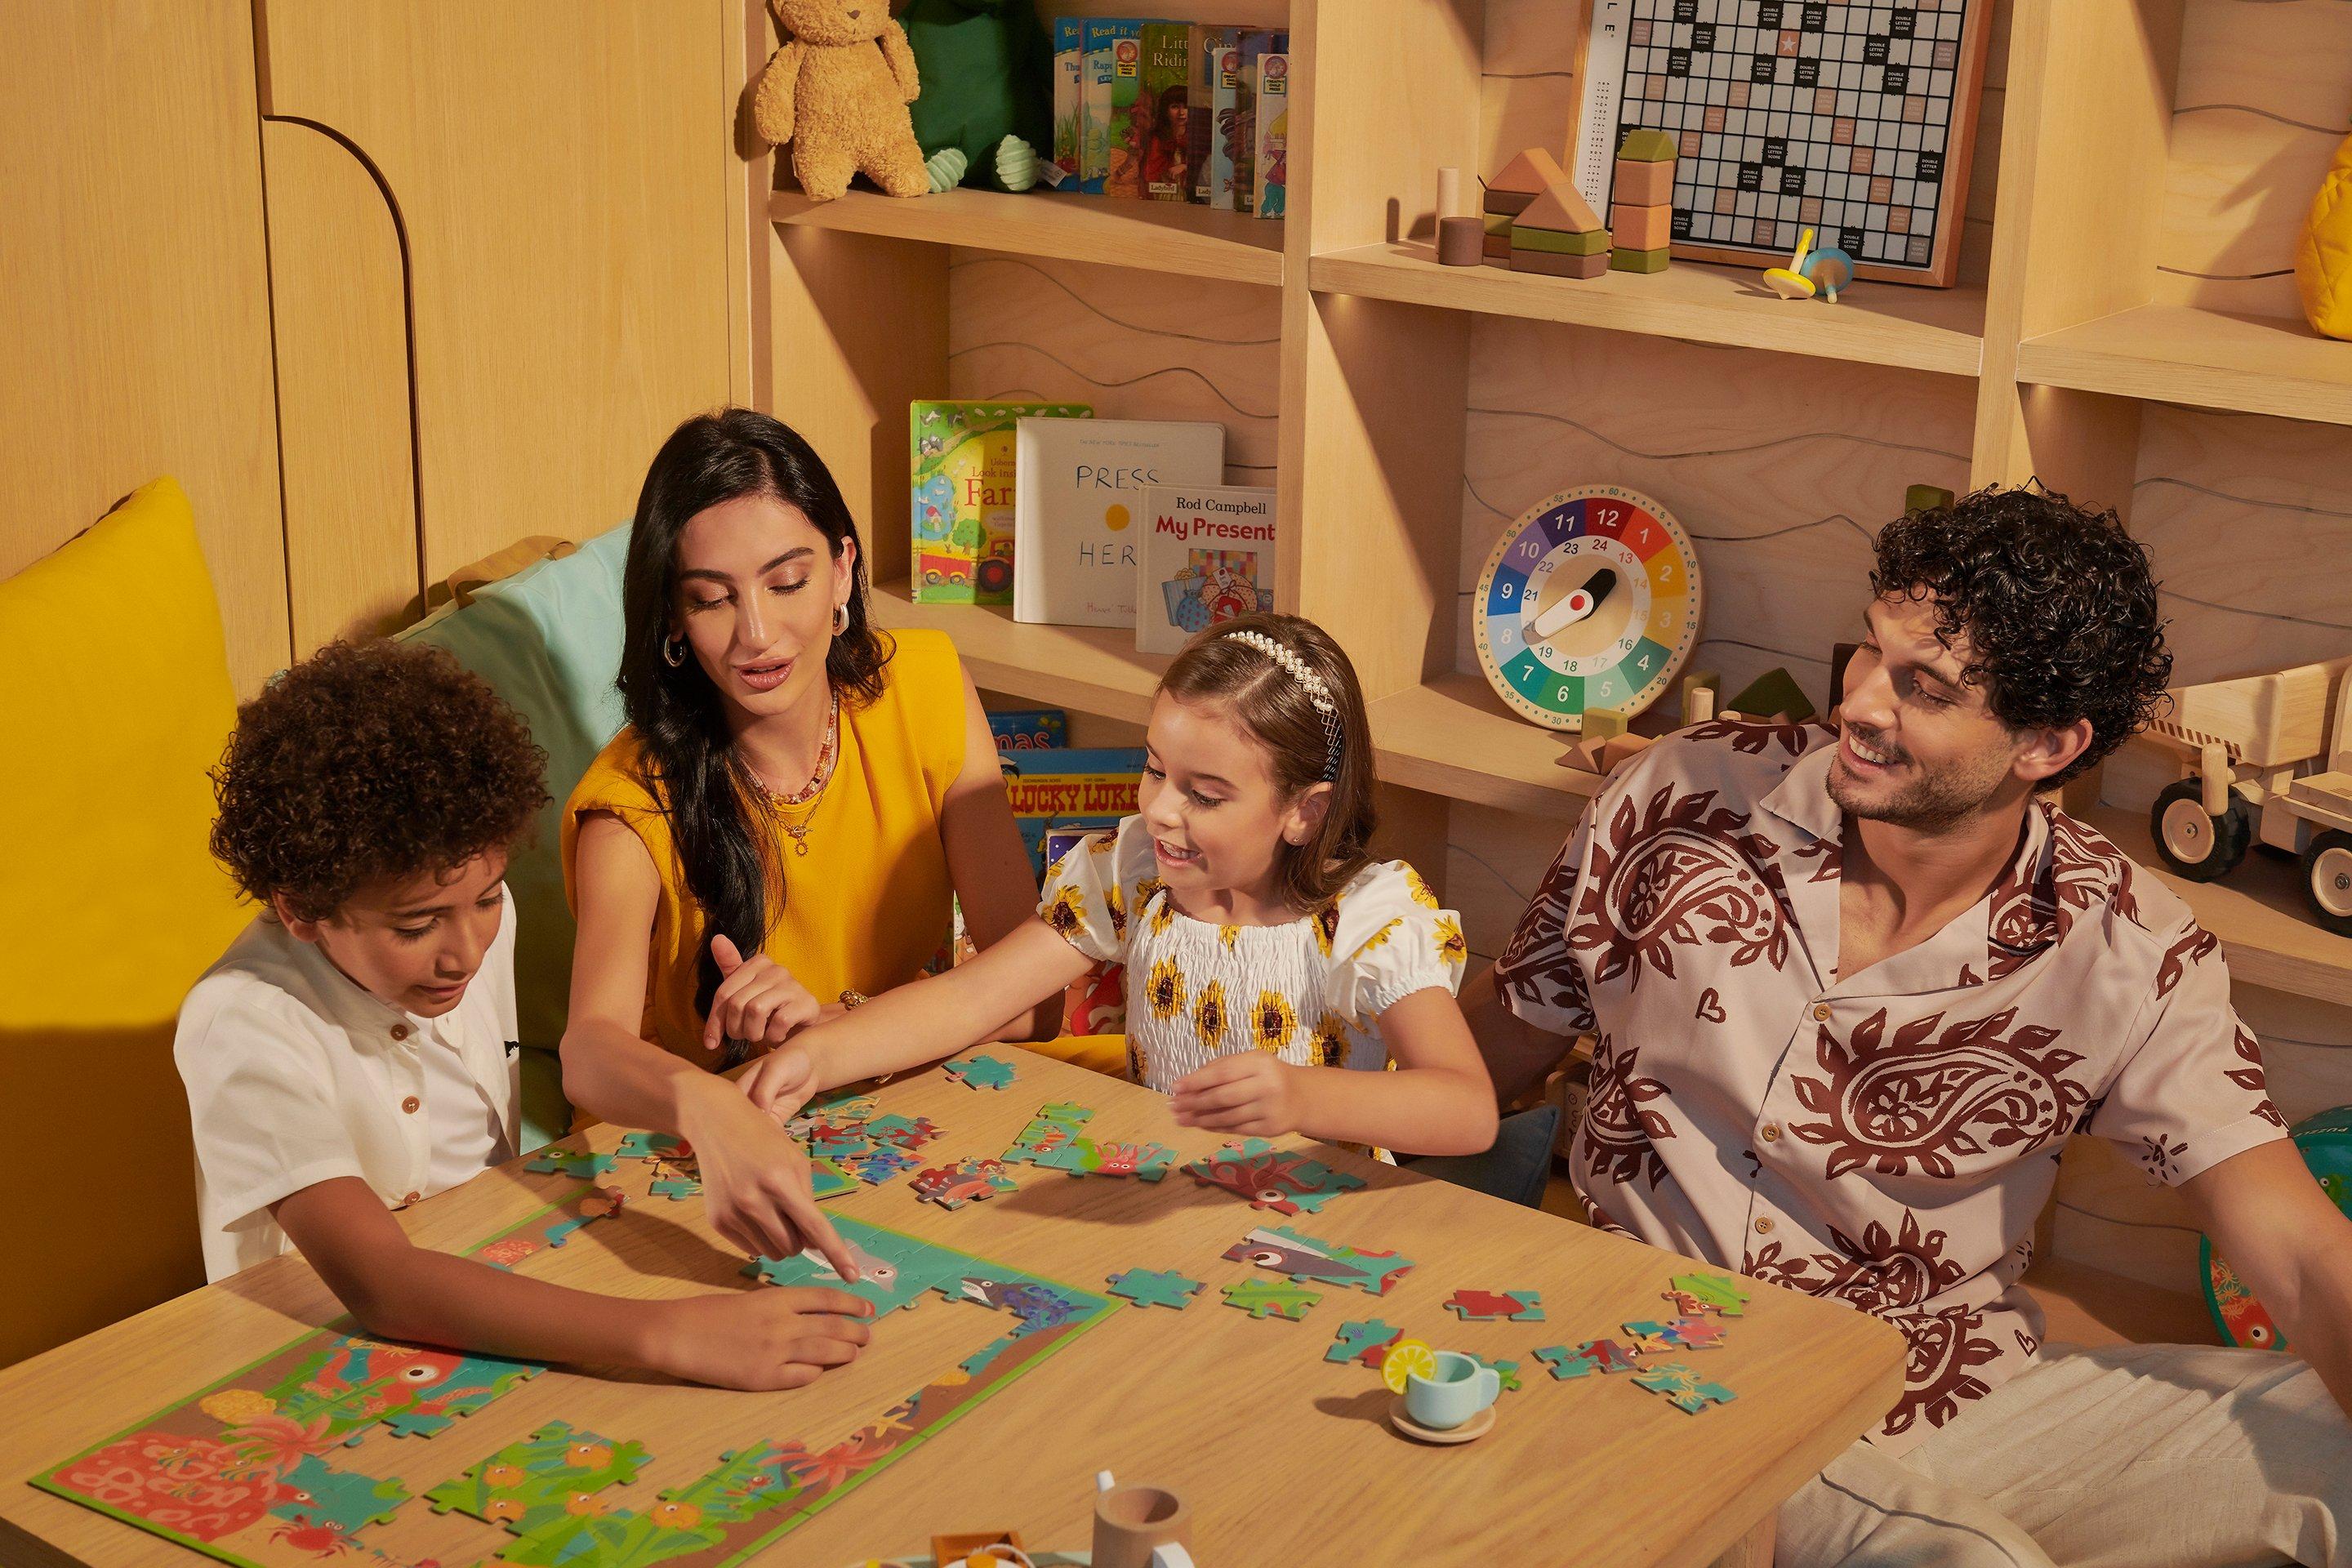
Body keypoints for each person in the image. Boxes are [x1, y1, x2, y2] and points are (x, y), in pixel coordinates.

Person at [1469, 487, 2352, 1567]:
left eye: (1923, 687)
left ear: (2048, 743)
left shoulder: (2129, 948)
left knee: (2327, 1444)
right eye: (1871, 650)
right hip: (1668, 1368)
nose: (1859, 701)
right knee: (1974, 1560)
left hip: (1954, 1395)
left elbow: (2303, 1256)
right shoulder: (1675, 798)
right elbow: (1493, 1053)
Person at [178, 639, 871, 1390]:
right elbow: (381, 1283)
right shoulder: (243, 1020)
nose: (465, 952)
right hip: (309, 1362)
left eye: (484, 899)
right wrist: (669, 1333)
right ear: (300, 910)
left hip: (506, 1296)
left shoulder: (487, 920)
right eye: (417, 926)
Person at [560, 409, 1054, 1264]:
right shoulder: (630, 802)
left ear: (842, 570)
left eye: (787, 582)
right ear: (673, 617)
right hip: (685, 1174)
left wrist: (833, 1030)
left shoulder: (928, 687)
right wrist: (706, 1103)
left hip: (901, 1122)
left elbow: (1032, 994)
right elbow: (589, 1054)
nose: (756, 634)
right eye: (711, 599)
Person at [742, 613, 1499, 1158]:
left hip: (1319, 1237)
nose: (1160, 810)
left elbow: (1467, 1109)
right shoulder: (1132, 876)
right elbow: (972, 999)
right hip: (1159, 1205)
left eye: (1206, 795)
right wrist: (816, 1058)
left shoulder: (1369, 918)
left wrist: (1302, 1097)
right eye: (1155, 769)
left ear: (1305, 812)